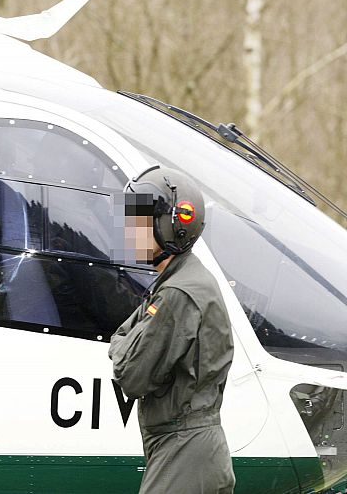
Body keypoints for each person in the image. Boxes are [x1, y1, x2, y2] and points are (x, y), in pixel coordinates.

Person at [108, 166, 235, 494]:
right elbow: (122, 338)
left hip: (185, 452)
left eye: (138, 221)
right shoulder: (174, 283)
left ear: (170, 226)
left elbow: (131, 373)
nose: (128, 231)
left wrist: (125, 345)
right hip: (183, 450)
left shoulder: (179, 293)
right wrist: (126, 343)